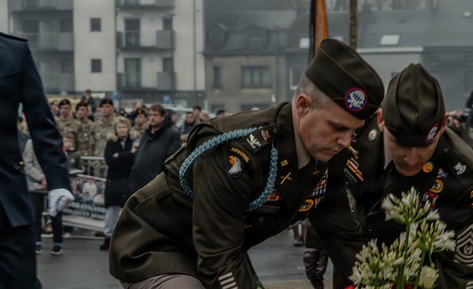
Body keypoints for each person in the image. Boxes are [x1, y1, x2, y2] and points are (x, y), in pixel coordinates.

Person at [109, 38, 385, 288]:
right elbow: (219, 263)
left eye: (353, 131)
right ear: (302, 106)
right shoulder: (239, 151)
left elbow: (343, 237)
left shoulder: (329, 153)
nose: (346, 141)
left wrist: (378, 283)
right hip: (159, 247)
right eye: (337, 127)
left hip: (215, 252)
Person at [320, 63, 473, 289]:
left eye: (424, 148)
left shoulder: (466, 180)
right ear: (380, 121)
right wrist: (317, 238)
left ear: (442, 128)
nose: (411, 159)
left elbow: (461, 272)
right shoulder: (353, 135)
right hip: (356, 267)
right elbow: (329, 184)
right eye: (399, 145)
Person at [0, 32, 74, 288]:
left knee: (20, 282)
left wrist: (58, 181)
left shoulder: (13, 51)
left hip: (6, 199)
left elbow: (41, 123)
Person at [101, 116, 138, 251]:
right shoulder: (111, 143)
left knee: (128, 210)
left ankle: (128, 238)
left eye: (124, 127)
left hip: (128, 179)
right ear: (115, 130)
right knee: (111, 210)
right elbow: (110, 160)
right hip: (114, 180)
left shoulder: (134, 141)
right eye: (119, 127)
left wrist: (120, 155)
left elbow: (136, 158)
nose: (122, 130)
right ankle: (108, 237)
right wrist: (128, 154)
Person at [128, 103, 181, 195]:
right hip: (138, 184)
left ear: (163, 116)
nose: (152, 118)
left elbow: (172, 161)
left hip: (155, 185)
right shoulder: (147, 134)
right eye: (150, 115)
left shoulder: (171, 134)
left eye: (155, 115)